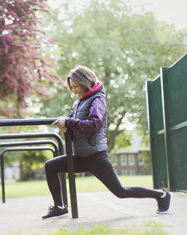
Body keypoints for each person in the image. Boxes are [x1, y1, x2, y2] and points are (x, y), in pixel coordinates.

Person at [42, 65, 172, 220]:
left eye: (76, 86)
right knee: (50, 166)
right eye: (71, 87)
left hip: (96, 156)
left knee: (120, 192)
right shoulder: (78, 103)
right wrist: (66, 130)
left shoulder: (98, 100)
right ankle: (60, 207)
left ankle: (162, 195)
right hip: (81, 156)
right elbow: (76, 129)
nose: (74, 90)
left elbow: (94, 125)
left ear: (85, 81)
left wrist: (69, 121)